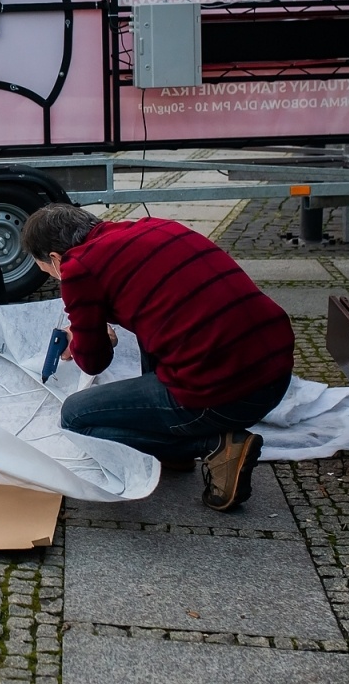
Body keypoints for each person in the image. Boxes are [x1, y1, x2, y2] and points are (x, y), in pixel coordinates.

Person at [20, 203, 294, 511]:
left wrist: (82, 338)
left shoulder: (78, 266)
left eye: (49, 273)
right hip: (276, 369)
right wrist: (99, 327)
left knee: (75, 418)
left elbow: (93, 362)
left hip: (229, 393)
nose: (57, 279)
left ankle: (214, 446)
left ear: (55, 259)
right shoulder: (154, 227)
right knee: (151, 334)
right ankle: (174, 450)